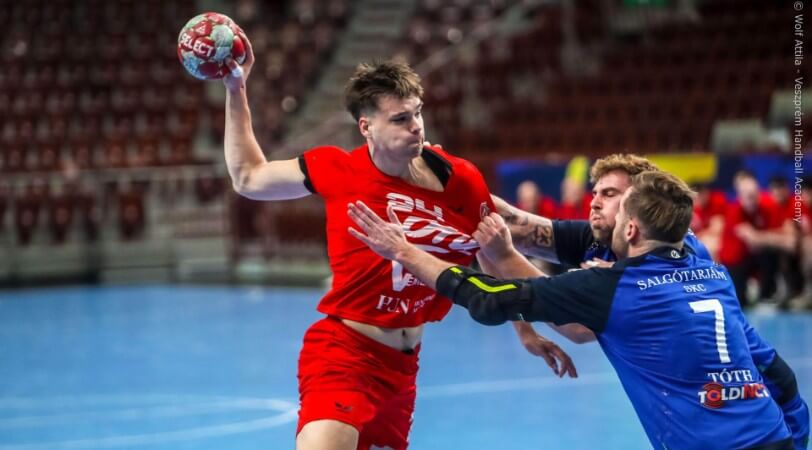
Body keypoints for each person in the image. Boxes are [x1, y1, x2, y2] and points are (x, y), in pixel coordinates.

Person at [220, 44, 576, 450]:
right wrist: (236, 88)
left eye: (418, 113)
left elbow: (489, 250)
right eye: (400, 119)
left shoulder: (459, 179)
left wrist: (524, 328)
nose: (416, 127)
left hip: (403, 369)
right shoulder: (337, 169)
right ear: (366, 127)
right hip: (343, 352)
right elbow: (248, 177)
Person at [347, 170, 810, 450]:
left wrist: (404, 252)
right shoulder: (712, 272)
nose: (602, 211)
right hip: (775, 434)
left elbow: (488, 297)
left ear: (631, 230)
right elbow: (779, 374)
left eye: (617, 207)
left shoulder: (613, 287)